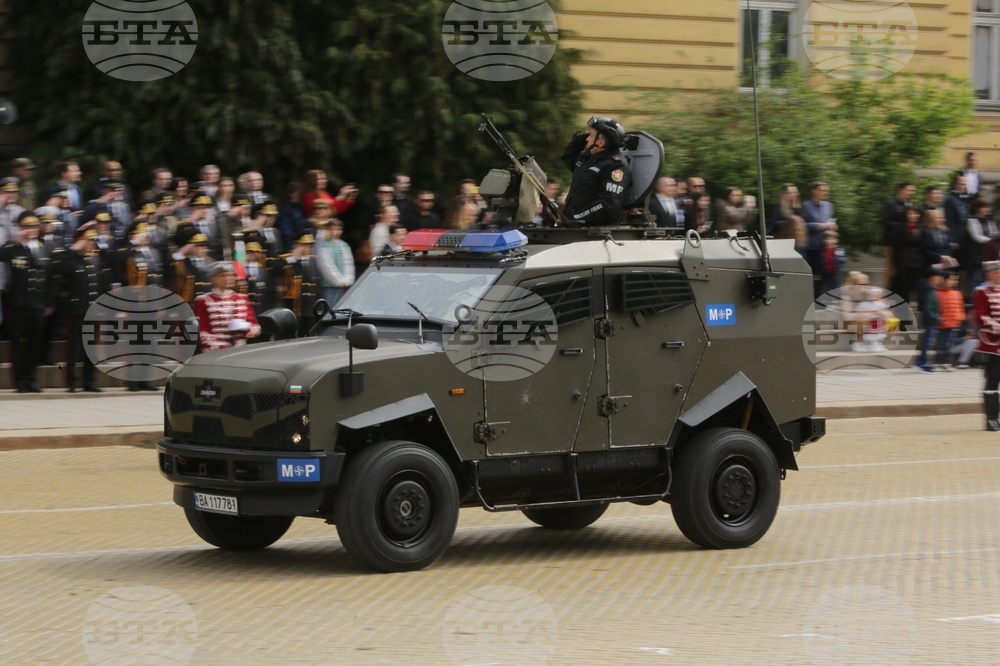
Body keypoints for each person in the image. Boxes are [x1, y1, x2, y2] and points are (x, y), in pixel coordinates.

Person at [0, 213, 52, 392]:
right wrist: (14, 240)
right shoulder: (15, 248)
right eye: (27, 228)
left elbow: (49, 277)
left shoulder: (43, 247)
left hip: (38, 303)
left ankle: (31, 379)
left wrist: (48, 302)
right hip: (19, 302)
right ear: (21, 229)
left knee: (34, 342)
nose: (31, 231)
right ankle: (19, 381)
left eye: (34, 228)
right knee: (18, 343)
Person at [50, 222, 102, 392]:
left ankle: (89, 381)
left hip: (92, 310)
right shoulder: (71, 259)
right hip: (76, 310)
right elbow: (59, 267)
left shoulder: (92, 259)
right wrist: (75, 247)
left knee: (91, 348)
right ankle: (72, 381)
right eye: (89, 240)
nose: (92, 243)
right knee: (73, 347)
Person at [561, 116, 632, 226]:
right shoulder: (589, 157)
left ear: (600, 142)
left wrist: (577, 217)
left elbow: (608, 204)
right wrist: (578, 143)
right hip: (574, 224)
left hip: (593, 231)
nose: (587, 138)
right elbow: (568, 158)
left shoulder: (616, 165)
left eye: (591, 136)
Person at [194, 261, 261, 352]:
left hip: (241, 350)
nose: (228, 278)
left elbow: (255, 328)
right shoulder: (203, 300)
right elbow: (203, 332)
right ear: (213, 279)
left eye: (231, 275)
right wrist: (224, 348)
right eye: (223, 275)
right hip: (215, 352)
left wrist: (246, 326)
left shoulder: (242, 298)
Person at [973, 260, 1000, 430]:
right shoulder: (981, 292)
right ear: (988, 274)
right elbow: (980, 316)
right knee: (993, 379)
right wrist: (996, 326)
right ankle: (991, 418)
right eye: (997, 272)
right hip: (991, 343)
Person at [315, 219, 355, 305]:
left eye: (338, 229)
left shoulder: (343, 245)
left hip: (343, 284)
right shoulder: (324, 245)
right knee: (330, 307)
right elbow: (326, 266)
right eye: (333, 229)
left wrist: (347, 280)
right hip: (330, 285)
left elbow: (348, 263)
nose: (336, 232)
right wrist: (339, 281)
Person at [934, 271, 965, 370]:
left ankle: (947, 362)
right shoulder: (937, 293)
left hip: (954, 322)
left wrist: (960, 317)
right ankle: (939, 361)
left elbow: (960, 307)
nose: (953, 282)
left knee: (950, 344)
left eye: (955, 280)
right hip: (943, 323)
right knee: (943, 344)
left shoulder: (957, 293)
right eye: (951, 279)